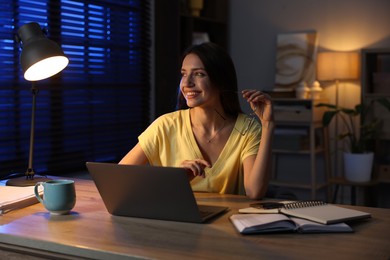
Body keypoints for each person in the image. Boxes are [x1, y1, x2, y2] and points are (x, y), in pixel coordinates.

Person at [119, 42, 274, 199]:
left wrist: (268, 125)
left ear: (221, 80)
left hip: (224, 222)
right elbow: (119, 178)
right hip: (171, 219)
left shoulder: (247, 129)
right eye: (184, 74)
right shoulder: (165, 125)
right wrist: (173, 179)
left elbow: (254, 191)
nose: (186, 84)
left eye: (199, 74)